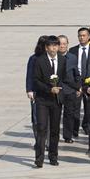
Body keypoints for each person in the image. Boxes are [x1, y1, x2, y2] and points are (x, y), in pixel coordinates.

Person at [32, 35, 67, 168]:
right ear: (46, 48)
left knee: (55, 129)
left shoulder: (63, 60)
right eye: (50, 46)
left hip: (56, 100)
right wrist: (49, 89)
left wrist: (61, 89)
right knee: (42, 128)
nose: (53, 48)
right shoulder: (39, 60)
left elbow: (64, 77)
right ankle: (39, 158)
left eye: (55, 45)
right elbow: (36, 80)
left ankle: (53, 156)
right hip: (42, 99)